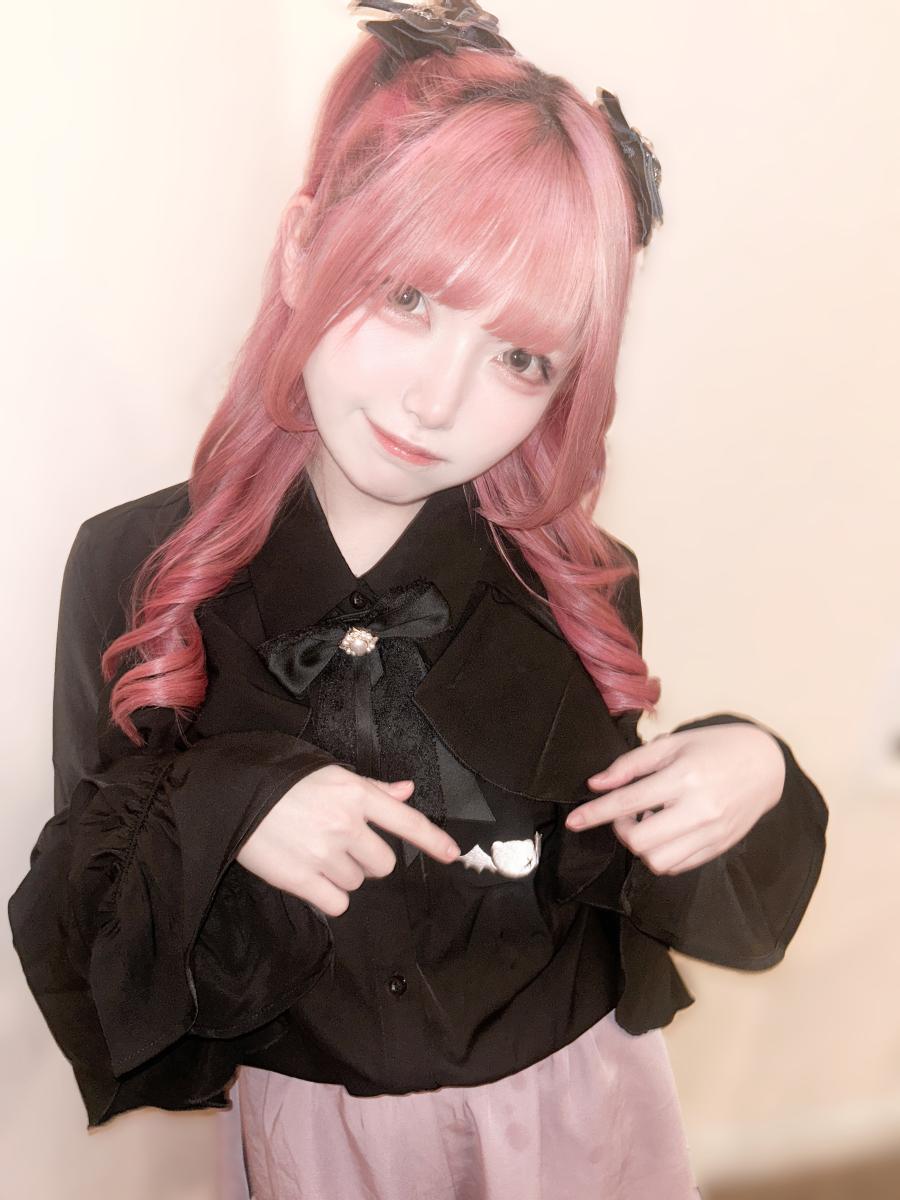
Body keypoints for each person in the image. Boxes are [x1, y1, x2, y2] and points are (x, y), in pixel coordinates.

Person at [8, 3, 829, 1197]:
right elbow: (82, 914)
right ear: (305, 248)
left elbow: (624, 864)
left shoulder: (576, 575)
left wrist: (751, 768)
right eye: (407, 299)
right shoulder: (138, 564)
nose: (439, 402)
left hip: (579, 1109)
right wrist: (233, 806)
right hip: (321, 1144)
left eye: (521, 358)